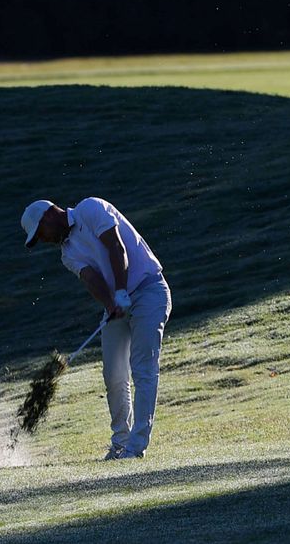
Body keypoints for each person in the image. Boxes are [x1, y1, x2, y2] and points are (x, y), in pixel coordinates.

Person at [20, 197, 172, 460]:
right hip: (118, 304)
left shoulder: (90, 209)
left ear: (48, 216)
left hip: (148, 290)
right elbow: (91, 278)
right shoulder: (67, 253)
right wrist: (111, 303)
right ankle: (120, 443)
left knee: (143, 369)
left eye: (40, 234)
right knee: (113, 374)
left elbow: (116, 246)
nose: (42, 240)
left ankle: (136, 448)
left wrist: (122, 292)